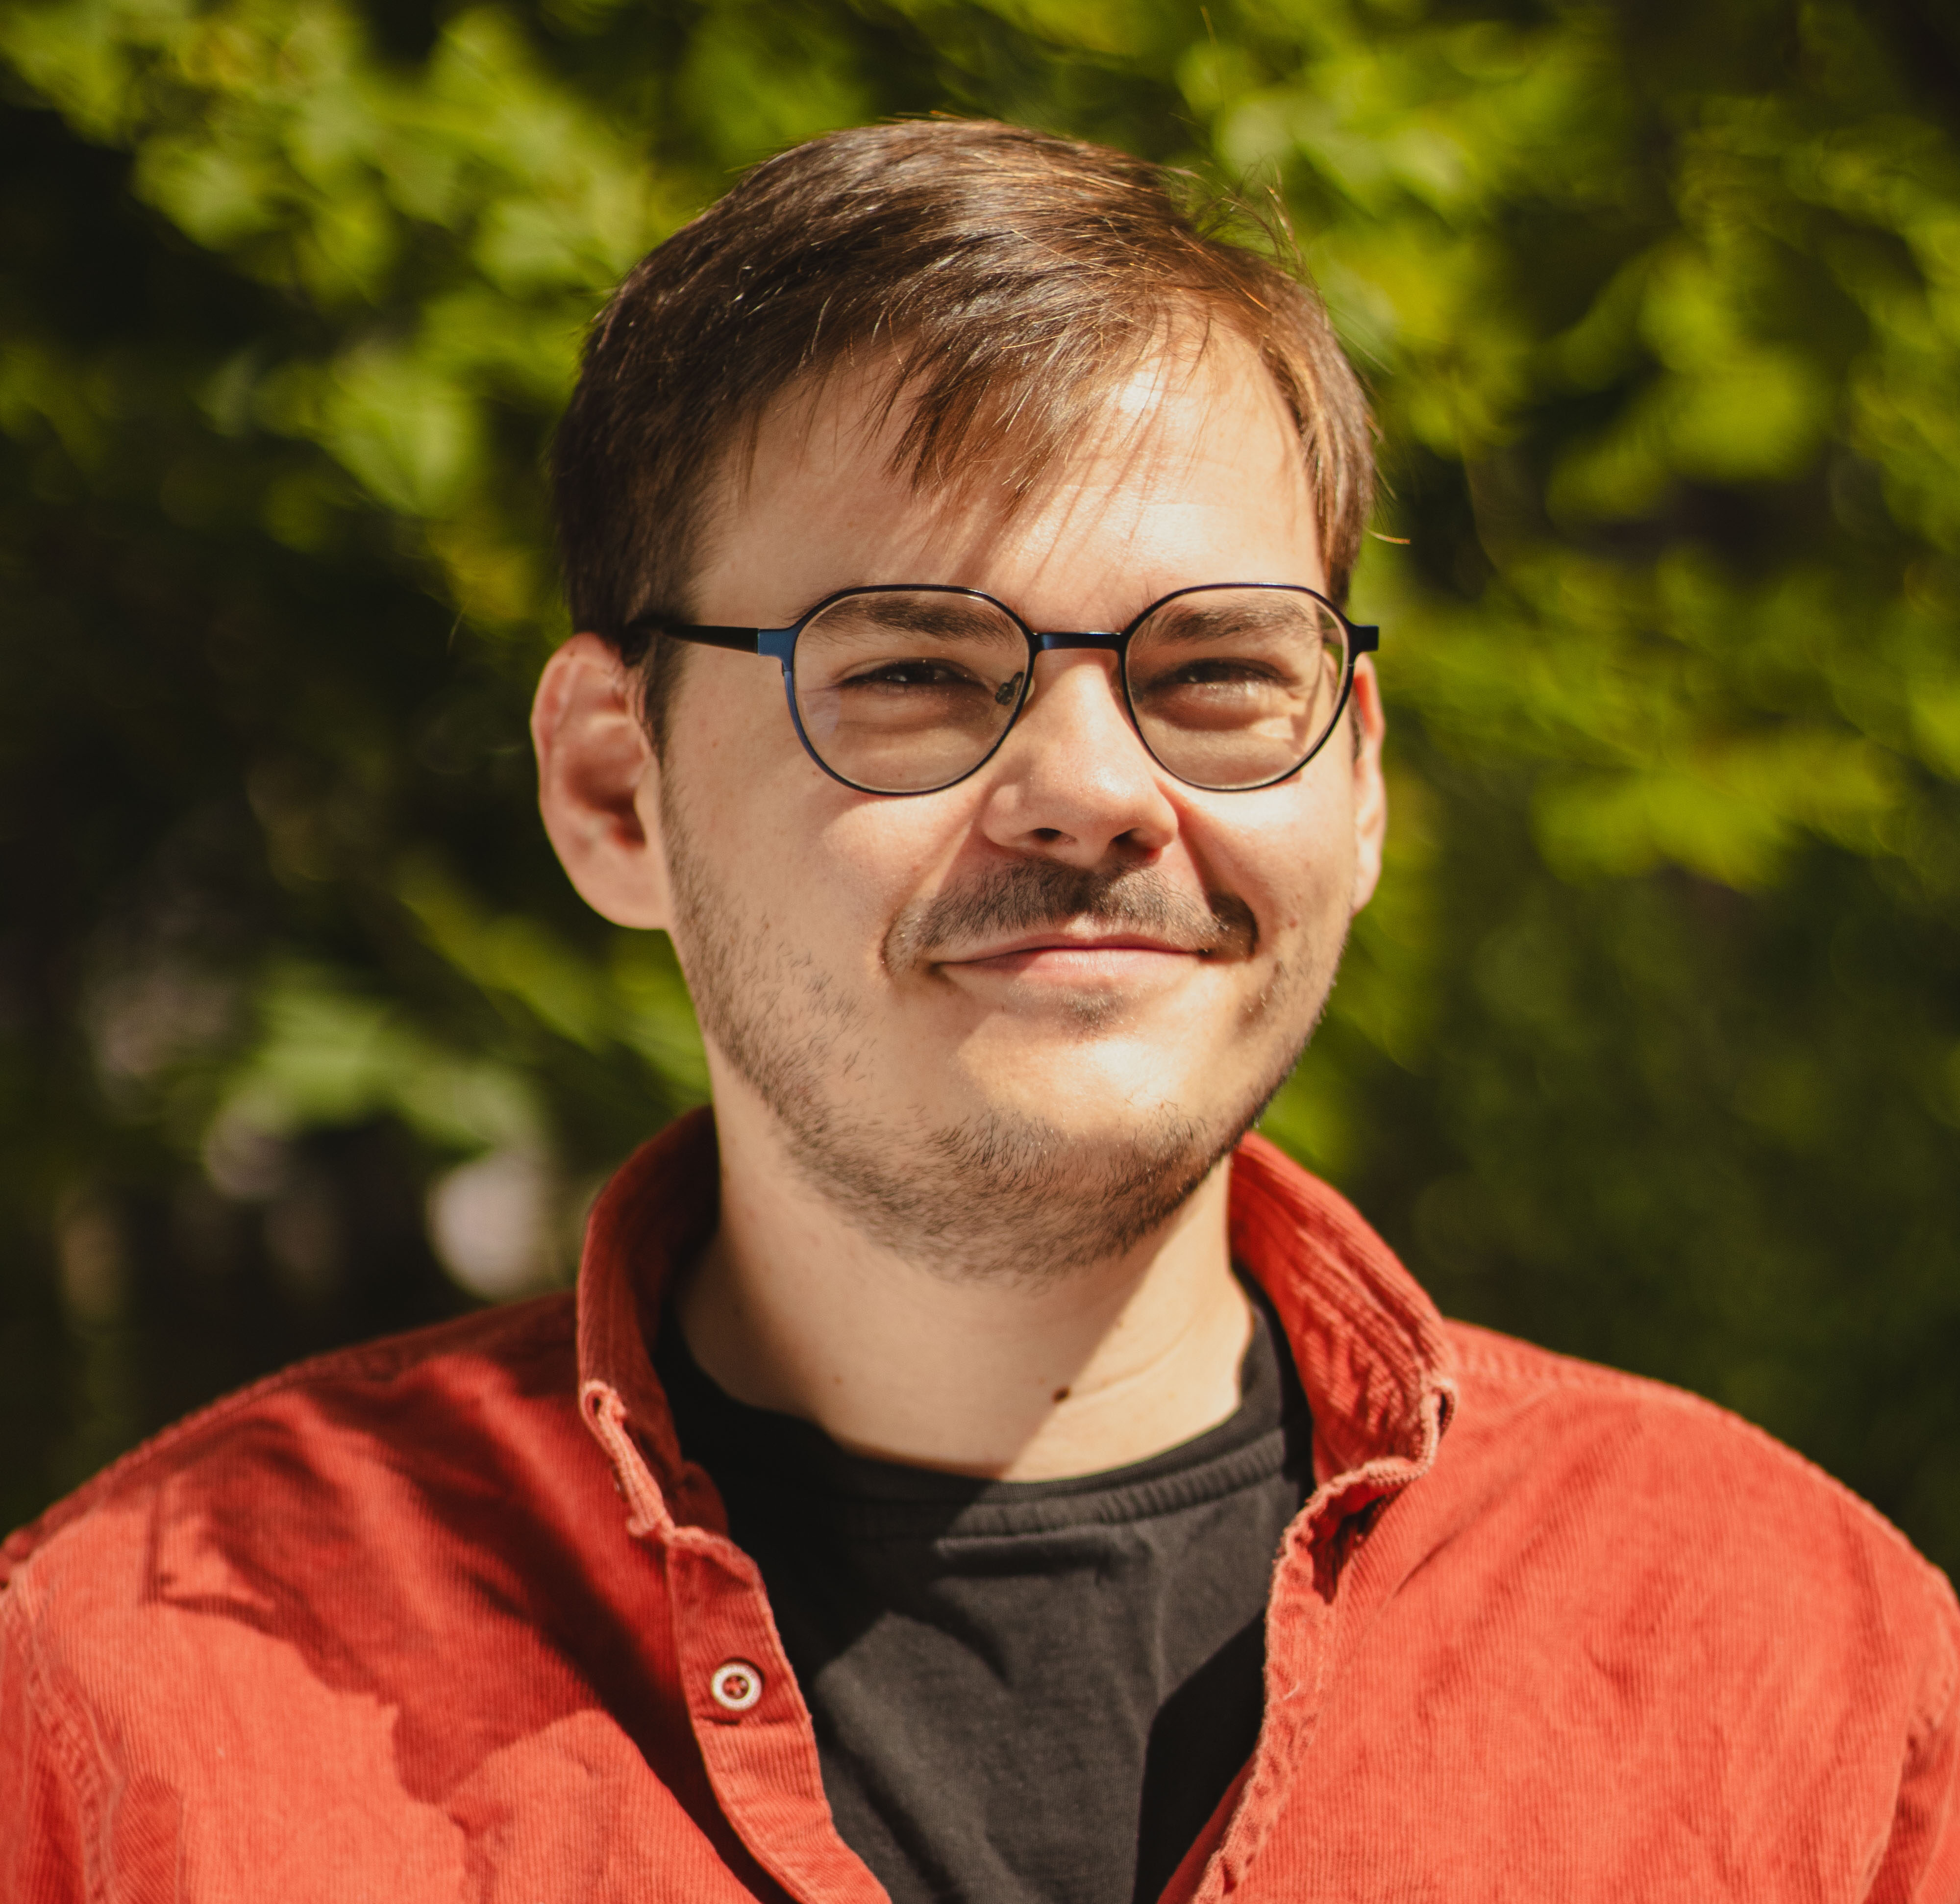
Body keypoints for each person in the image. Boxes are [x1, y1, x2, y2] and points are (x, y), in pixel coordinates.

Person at [2, 118, 1955, 1904]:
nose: (1095, 786)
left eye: (1212, 669)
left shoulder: (1798, 1667)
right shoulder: (139, 1699)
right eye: (918, 670)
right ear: (617, 789)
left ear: (1353, 784)